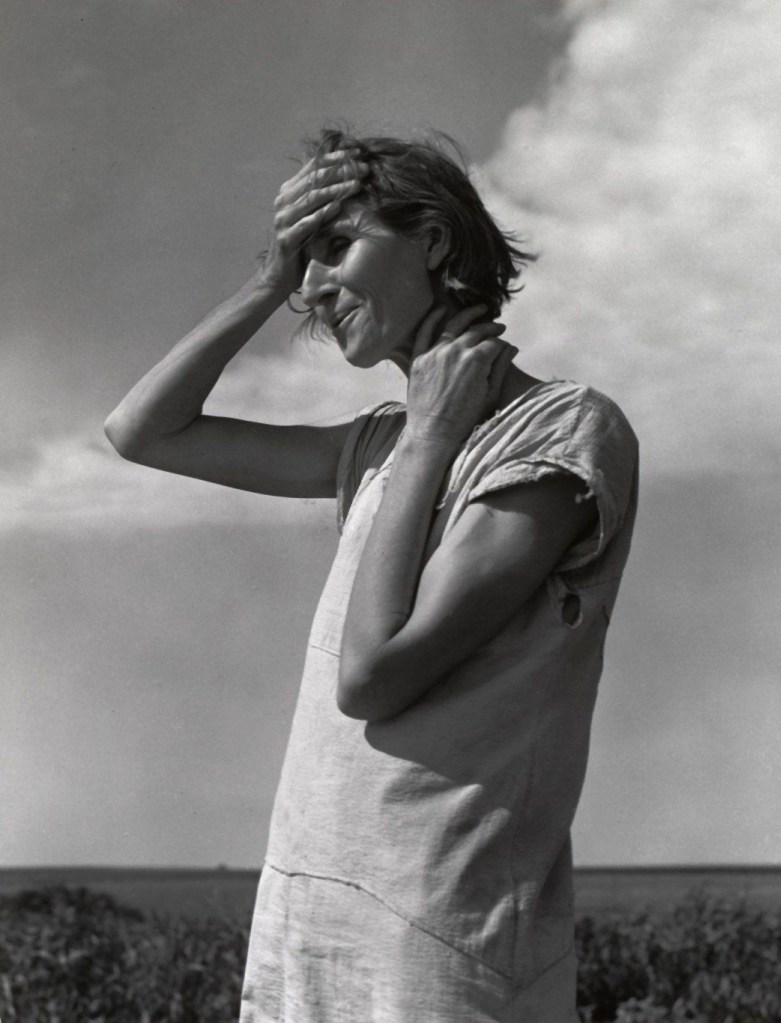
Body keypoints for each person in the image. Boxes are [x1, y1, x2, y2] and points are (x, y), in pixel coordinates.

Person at [105, 129, 639, 1023]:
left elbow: (373, 676)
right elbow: (140, 432)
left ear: (431, 239)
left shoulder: (564, 429)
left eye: (337, 245)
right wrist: (268, 278)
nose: (314, 287)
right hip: (309, 907)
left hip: (438, 927)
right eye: (302, 261)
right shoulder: (377, 443)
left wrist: (432, 435)